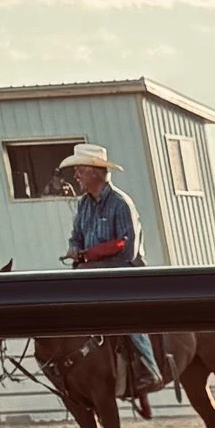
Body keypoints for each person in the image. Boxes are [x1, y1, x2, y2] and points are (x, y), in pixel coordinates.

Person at [58, 143, 159, 405]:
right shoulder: (83, 206)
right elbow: (75, 237)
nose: (76, 175)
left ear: (94, 172)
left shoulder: (121, 204)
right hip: (92, 275)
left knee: (126, 314)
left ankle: (148, 367)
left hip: (124, 274)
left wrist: (91, 262)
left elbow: (129, 252)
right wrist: (75, 250)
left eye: (80, 170)